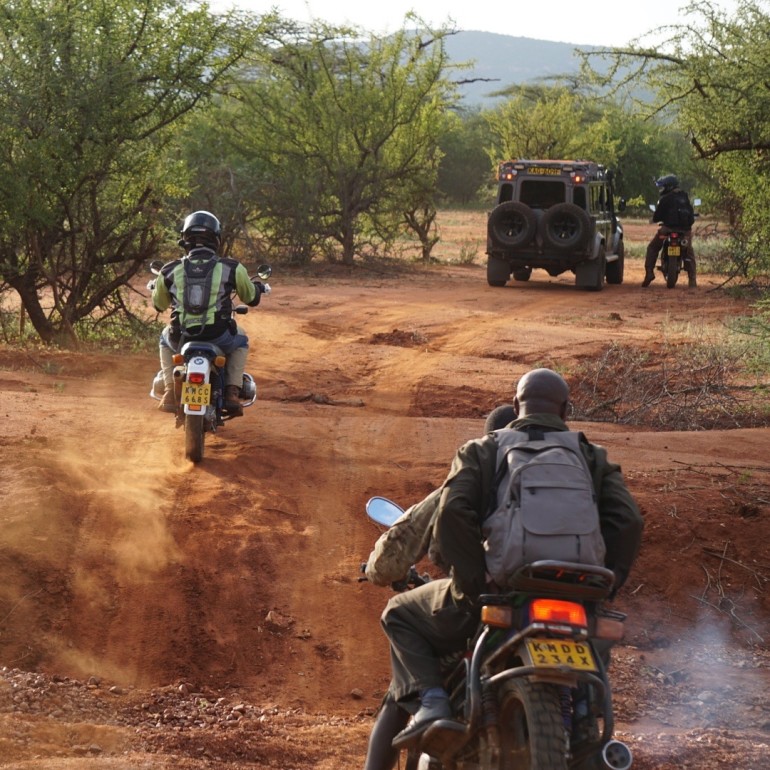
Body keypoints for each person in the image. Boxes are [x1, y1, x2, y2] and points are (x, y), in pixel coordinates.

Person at [378, 368, 643, 746]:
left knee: (399, 614)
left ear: (517, 405)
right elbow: (628, 520)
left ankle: (432, 703)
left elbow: (453, 513)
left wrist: (473, 584)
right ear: (565, 410)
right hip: (579, 593)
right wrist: (607, 582)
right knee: (595, 637)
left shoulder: (484, 449)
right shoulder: (589, 455)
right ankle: (585, 712)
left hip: (501, 591)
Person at [362, 404, 517, 770]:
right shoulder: (569, 470)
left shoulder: (479, 468)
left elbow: (403, 538)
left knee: (399, 620)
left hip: (481, 601)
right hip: (560, 601)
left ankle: (432, 702)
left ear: (489, 437)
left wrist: (375, 569)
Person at [151, 210, 266, 416]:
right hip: (218, 335)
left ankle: (170, 390)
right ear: (216, 239)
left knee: (163, 339)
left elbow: (159, 305)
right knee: (241, 341)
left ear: (185, 238)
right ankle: (232, 392)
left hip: (181, 336)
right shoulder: (231, 267)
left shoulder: (169, 270)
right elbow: (251, 298)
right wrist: (257, 289)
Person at [642, 174, 697, 288]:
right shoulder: (684, 196)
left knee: (652, 247)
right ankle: (692, 279)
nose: (662, 189)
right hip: (684, 231)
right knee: (688, 252)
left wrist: (654, 219)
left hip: (667, 229)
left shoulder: (665, 199)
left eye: (663, 187)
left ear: (669, 186)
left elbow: (657, 216)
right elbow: (691, 217)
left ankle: (649, 273)